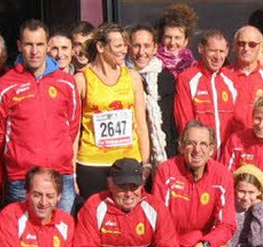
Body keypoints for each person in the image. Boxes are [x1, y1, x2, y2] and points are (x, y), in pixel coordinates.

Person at [0, 19, 80, 214]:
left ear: (47, 45)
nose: (34, 51)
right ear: (19, 46)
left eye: (39, 44)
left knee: (61, 238)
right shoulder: (4, 86)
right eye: (28, 44)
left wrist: (59, 154)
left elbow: (72, 127)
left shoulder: (66, 82)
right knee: (24, 241)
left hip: (60, 175)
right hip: (21, 177)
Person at [73, 158, 181, 247]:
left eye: (134, 186)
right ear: (110, 183)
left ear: (142, 184)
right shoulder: (94, 205)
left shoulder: (156, 207)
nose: (129, 193)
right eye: (123, 186)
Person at [153, 120, 236, 247]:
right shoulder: (166, 171)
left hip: (202, 246)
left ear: (212, 150)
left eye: (203, 144)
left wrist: (202, 246)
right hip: (171, 246)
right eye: (191, 143)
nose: (197, 150)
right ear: (181, 146)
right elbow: (160, 223)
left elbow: (227, 224)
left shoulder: (222, 175)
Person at [75, 22, 150, 202]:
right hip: (93, 162)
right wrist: (71, 172)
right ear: (100, 47)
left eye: (125, 45)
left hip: (128, 161)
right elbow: (74, 131)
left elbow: (141, 124)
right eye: (118, 46)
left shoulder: (132, 77)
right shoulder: (81, 79)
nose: (124, 50)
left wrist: (146, 162)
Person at [174, 30, 237, 160]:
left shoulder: (232, 79)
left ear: (227, 51)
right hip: (200, 158)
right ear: (201, 49)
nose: (217, 56)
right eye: (212, 51)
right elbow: (185, 123)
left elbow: (239, 121)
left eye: (221, 51)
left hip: (228, 158)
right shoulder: (187, 78)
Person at [126, 24, 178, 168]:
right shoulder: (121, 78)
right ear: (128, 47)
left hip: (165, 154)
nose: (141, 52)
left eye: (147, 46)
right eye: (136, 46)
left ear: (155, 48)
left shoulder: (166, 78)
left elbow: (172, 122)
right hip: (133, 155)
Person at [229, 25, 263, 130]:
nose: (246, 48)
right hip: (233, 143)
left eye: (252, 45)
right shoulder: (223, 76)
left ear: (261, 46)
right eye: (241, 44)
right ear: (234, 46)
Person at [155, 3, 197, 78]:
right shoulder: (153, 63)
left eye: (177, 38)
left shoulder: (193, 67)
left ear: (186, 41)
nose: (172, 43)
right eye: (168, 37)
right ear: (162, 38)